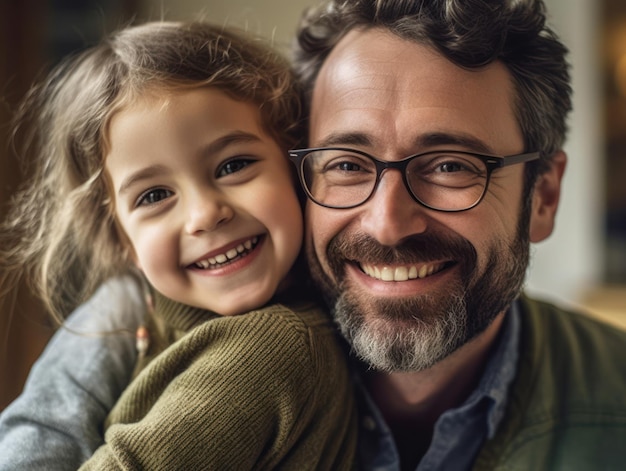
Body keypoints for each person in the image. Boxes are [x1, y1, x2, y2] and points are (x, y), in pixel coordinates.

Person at [2, 0, 626, 469]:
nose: (387, 222)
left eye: (449, 167)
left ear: (543, 194)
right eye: (347, 165)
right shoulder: (135, 333)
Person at [0, 21, 357, 470]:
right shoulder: (149, 318)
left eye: (234, 165)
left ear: (295, 168)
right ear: (122, 241)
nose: (205, 214)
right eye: (153, 196)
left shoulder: (269, 350)